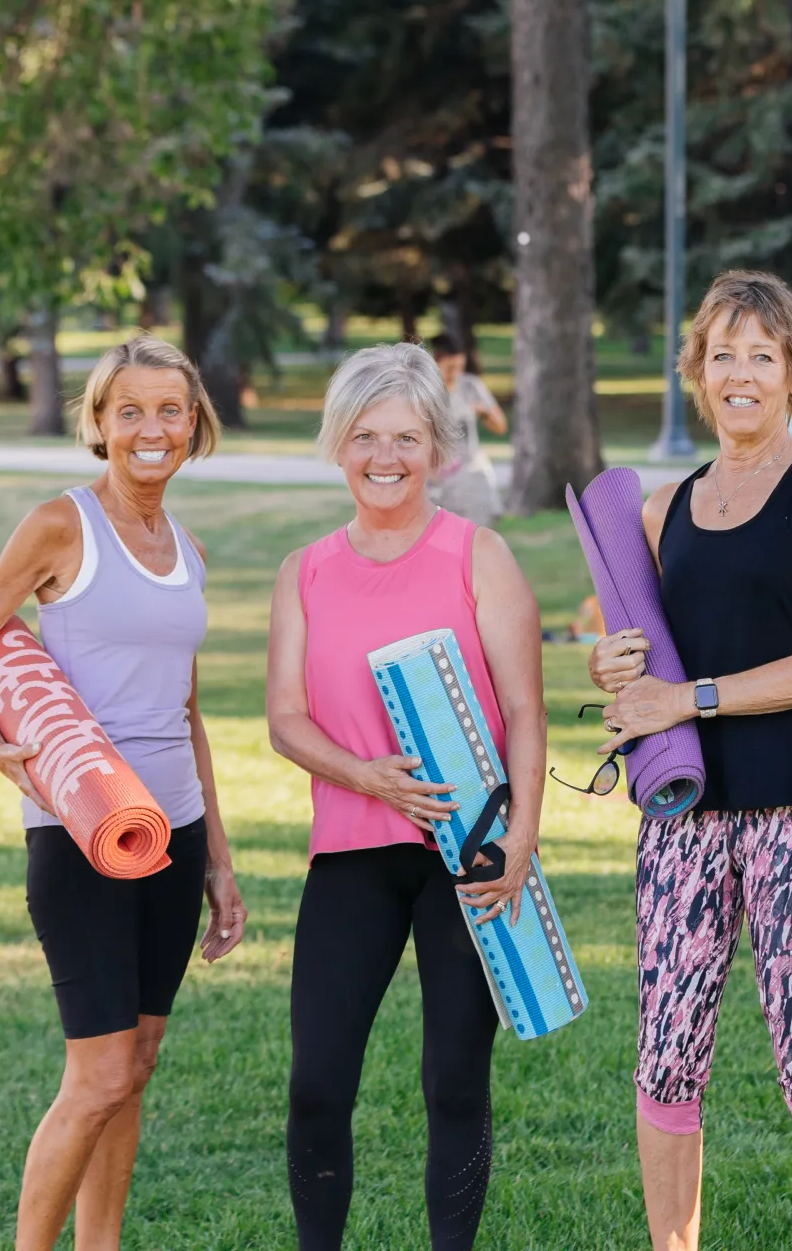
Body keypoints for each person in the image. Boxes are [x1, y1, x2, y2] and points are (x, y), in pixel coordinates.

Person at [0, 334, 248, 1251]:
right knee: (98, 1074)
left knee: (137, 1065)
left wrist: (219, 861)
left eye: (171, 411)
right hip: (82, 834)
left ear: (195, 425)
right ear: (99, 425)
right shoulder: (61, 525)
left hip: (175, 833)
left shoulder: (191, 550)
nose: (152, 429)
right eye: (131, 411)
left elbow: (186, 714)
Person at [587, 270, 792, 1251]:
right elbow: (638, 647)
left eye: (762, 353)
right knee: (667, 1054)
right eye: (722, 354)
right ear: (698, 375)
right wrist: (615, 663)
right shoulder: (663, 506)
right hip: (685, 812)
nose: (740, 373)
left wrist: (690, 697)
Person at [265, 342, 547, 1251]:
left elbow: (526, 716)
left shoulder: (479, 554)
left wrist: (522, 842)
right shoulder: (304, 570)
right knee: (317, 1082)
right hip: (351, 852)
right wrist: (366, 775)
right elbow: (284, 718)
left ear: (439, 448)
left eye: (407, 437)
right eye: (365, 437)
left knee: (455, 1080)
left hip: (466, 858)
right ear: (337, 445)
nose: (385, 457)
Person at [425, 332, 506, 526]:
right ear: (436, 362)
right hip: (433, 474)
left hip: (468, 471)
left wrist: (484, 412)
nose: (456, 372)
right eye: (450, 367)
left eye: (460, 366)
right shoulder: (424, 390)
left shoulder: (470, 386)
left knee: (473, 533)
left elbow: (501, 426)